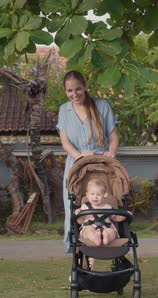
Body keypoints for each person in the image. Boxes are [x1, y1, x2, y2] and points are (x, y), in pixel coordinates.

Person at [57, 70, 120, 254]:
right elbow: (65, 142)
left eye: (78, 89)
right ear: (65, 91)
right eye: (69, 91)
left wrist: (111, 153)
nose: (74, 94)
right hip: (76, 166)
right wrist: (79, 156)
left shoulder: (102, 106)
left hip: (102, 165)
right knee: (75, 206)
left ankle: (107, 236)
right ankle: (78, 254)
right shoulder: (64, 110)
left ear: (85, 87)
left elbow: (114, 135)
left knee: (107, 200)